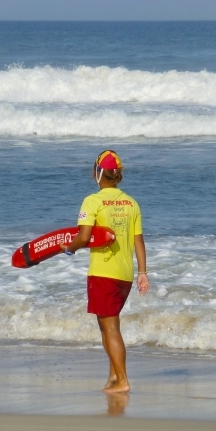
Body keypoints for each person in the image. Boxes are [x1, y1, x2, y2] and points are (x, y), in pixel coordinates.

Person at [60, 150, 150, 394]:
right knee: (109, 325)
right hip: (125, 274)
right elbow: (138, 241)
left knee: (110, 328)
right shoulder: (131, 202)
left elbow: (85, 236)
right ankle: (113, 375)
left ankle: (122, 380)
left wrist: (68, 249)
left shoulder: (93, 201)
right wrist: (143, 272)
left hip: (103, 272)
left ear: (98, 173)